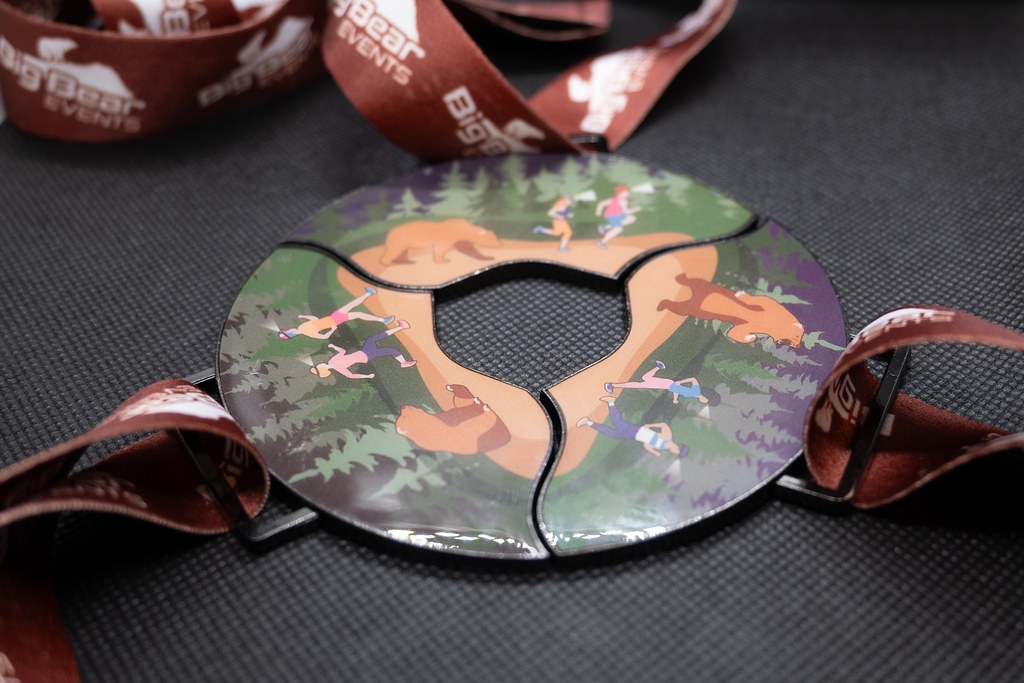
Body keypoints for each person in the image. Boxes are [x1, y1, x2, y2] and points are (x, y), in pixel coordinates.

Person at [575, 397, 685, 457]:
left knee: (613, 433)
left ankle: (589, 422)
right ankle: (610, 403)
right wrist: (650, 425)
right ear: (677, 449)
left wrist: (653, 451)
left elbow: (646, 444)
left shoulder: (664, 447)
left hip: (635, 436)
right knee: (616, 422)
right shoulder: (667, 438)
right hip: (637, 431)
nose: (674, 453)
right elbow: (664, 426)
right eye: (676, 453)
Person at [310, 321, 416, 380]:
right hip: (366, 355)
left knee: (373, 340)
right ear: (323, 369)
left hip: (363, 353)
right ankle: (403, 362)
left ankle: (400, 328)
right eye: (318, 367)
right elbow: (351, 375)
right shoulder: (337, 367)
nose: (319, 364)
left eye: (317, 365)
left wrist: (334, 347)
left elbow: (342, 352)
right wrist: (367, 376)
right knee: (390, 349)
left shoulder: (332, 361)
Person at [279, 287, 393, 340]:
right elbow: (323, 337)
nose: (289, 329)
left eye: (287, 330)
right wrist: (332, 329)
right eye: (288, 331)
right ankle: (370, 297)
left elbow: (314, 319)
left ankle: (381, 317)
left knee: (356, 310)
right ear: (291, 334)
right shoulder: (307, 332)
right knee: (355, 310)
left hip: (333, 317)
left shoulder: (302, 327)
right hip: (334, 320)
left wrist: (304, 316)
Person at [604, 361, 713, 407]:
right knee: (639, 384)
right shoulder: (696, 391)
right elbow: (693, 379)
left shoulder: (694, 394)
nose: (704, 402)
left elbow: (677, 390)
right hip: (666, 384)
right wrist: (680, 382)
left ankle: (659, 366)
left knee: (644, 378)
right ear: (706, 397)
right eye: (706, 402)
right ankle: (612, 385)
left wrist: (675, 399)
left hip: (668, 385)